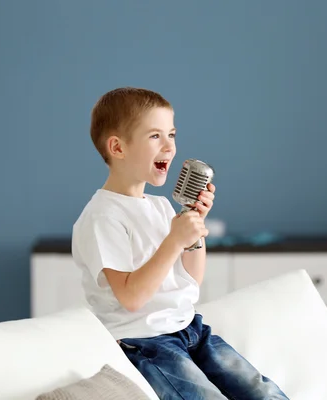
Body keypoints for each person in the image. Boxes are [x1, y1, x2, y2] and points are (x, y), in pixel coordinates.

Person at [72, 87, 289, 400]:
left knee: (262, 391)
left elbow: (192, 280)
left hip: (190, 329)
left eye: (171, 134)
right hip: (146, 341)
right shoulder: (102, 217)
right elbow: (132, 298)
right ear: (118, 147)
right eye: (155, 136)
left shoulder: (160, 206)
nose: (169, 146)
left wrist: (193, 227)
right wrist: (174, 241)